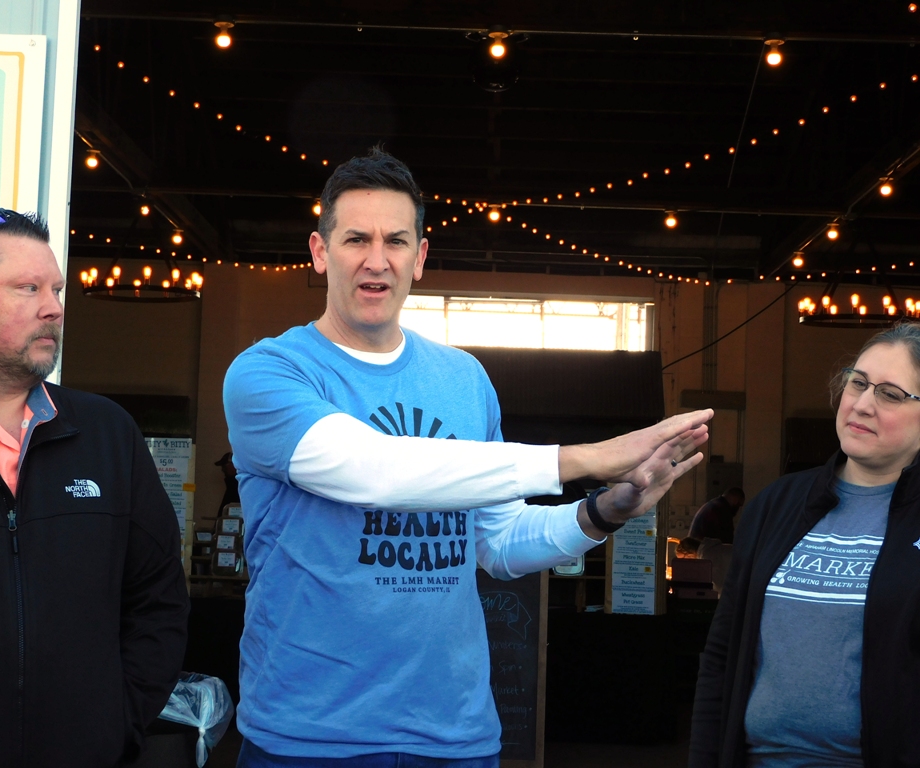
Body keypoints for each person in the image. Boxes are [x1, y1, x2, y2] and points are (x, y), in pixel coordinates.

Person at [223, 147, 713, 766]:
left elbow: (497, 542)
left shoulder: (463, 379)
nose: (377, 260)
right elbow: (373, 471)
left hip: (455, 736)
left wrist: (603, 511)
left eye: (397, 241)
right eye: (355, 240)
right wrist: (587, 457)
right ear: (320, 252)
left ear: (420, 257)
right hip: (311, 738)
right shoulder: (269, 372)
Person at [0, 208, 190, 767]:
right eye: (27, 288)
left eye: (55, 289)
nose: (54, 307)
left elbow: (158, 600)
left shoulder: (108, 434)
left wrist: (115, 723)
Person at [690, 322, 920, 767]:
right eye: (858, 383)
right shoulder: (776, 504)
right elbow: (722, 654)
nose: (862, 404)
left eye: (890, 394)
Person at [215, 450, 241, 516]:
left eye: (224, 466)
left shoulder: (238, 486)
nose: (223, 470)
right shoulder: (231, 485)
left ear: (234, 465)